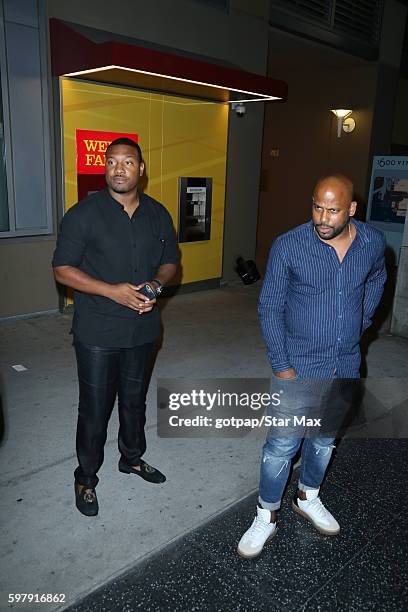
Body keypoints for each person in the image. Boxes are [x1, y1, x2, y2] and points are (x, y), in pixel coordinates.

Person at [237, 174, 386, 558]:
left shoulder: (371, 243)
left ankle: (308, 496)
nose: (322, 217)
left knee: (323, 440)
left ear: (351, 209)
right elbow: (269, 307)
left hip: (346, 362)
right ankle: (265, 516)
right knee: (282, 446)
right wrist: (283, 366)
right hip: (298, 365)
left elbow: (378, 278)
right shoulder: (290, 245)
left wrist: (361, 321)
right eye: (317, 206)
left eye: (333, 210)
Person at [52, 138, 178, 517]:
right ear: (104, 168)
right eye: (112, 162)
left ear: (141, 169)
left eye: (127, 162)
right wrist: (112, 291)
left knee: (134, 401)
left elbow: (171, 260)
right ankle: (86, 477)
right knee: (95, 408)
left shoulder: (158, 214)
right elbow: (62, 268)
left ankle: (132, 458)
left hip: (142, 330)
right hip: (98, 332)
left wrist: (156, 285)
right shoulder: (83, 214)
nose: (119, 169)